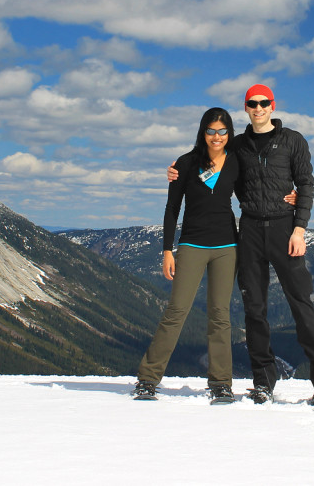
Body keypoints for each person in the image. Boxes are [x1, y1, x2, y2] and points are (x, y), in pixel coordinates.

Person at [168, 84, 314, 411]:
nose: (259, 108)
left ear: (273, 106)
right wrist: (180, 172)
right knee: (255, 309)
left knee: (301, 303)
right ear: (246, 108)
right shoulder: (236, 147)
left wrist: (300, 228)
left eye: (264, 103)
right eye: (253, 103)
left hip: (284, 228)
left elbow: (306, 184)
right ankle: (263, 383)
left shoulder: (293, 141)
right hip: (248, 229)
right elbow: (208, 174)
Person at [133, 107, 241, 404]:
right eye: (211, 130)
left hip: (226, 247)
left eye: (222, 131)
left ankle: (221, 384)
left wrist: (290, 197)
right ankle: (147, 379)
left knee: (220, 315)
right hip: (191, 245)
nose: (216, 137)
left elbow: (253, 194)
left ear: (229, 133)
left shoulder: (236, 163)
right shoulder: (186, 162)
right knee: (176, 311)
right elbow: (171, 209)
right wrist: (167, 249)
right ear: (202, 132)